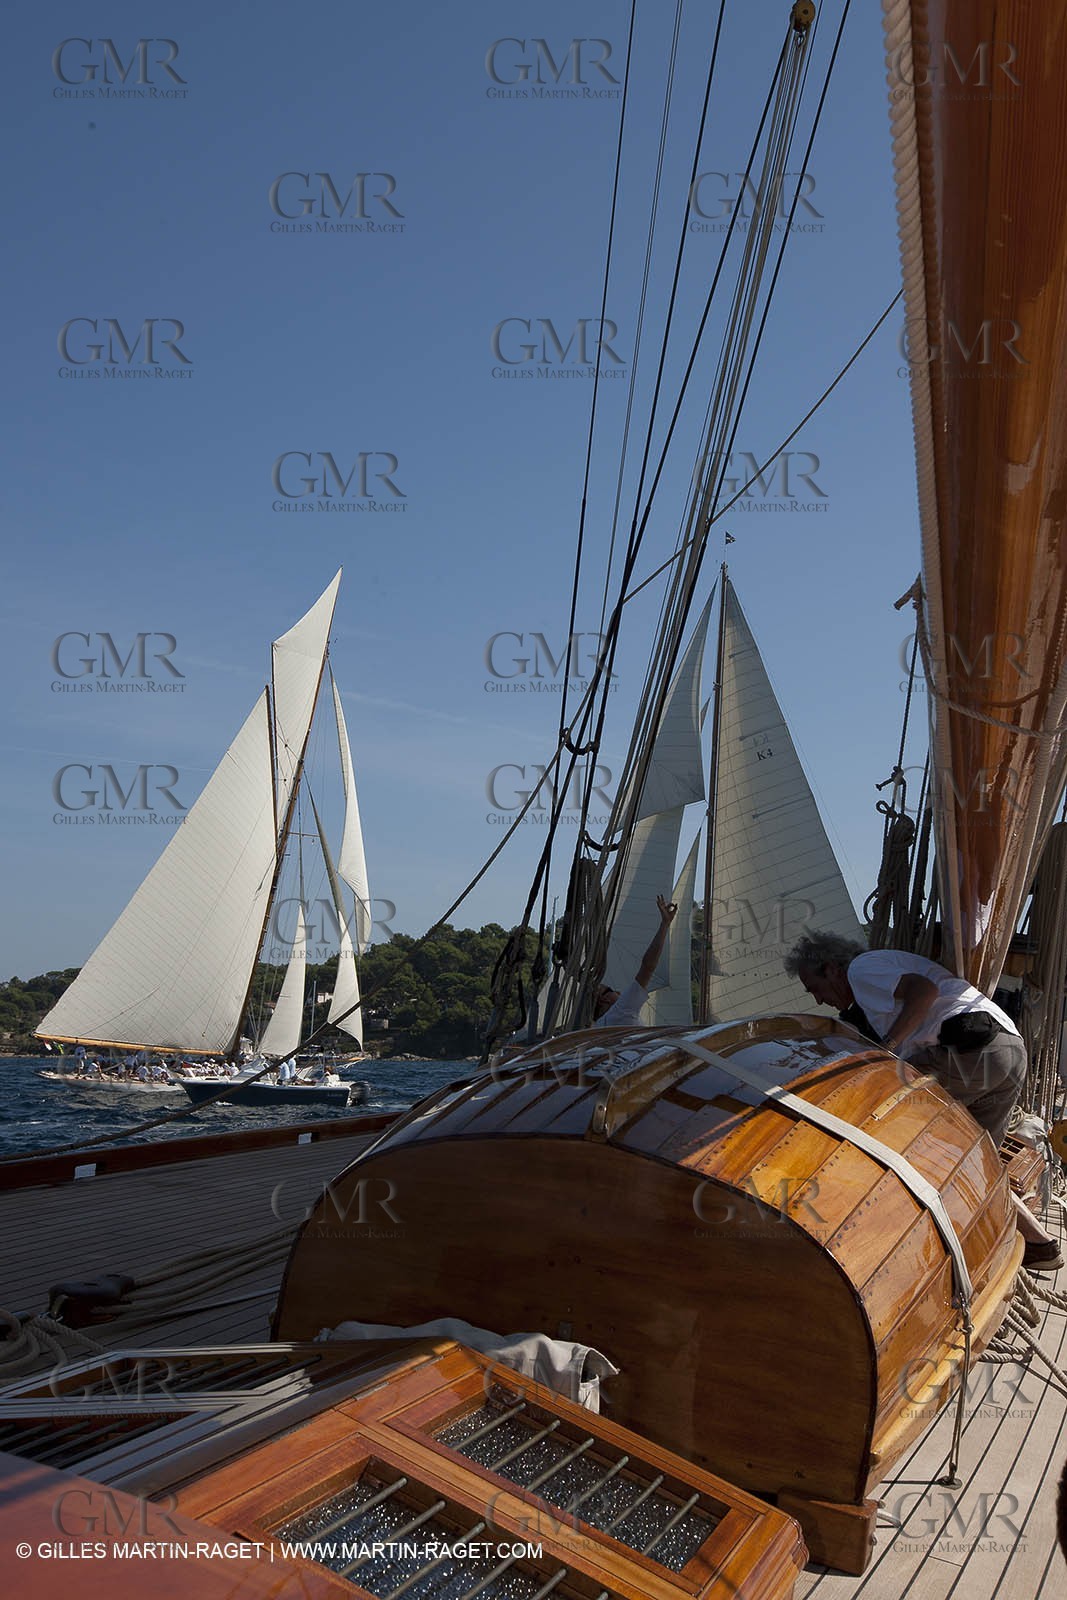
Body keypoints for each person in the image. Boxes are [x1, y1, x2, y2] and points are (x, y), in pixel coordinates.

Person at [784, 930, 1062, 1271]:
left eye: (814, 987)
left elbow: (924, 992)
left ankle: (881, 1242)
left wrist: (888, 1049)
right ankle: (1040, 1245)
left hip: (970, 1054)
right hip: (1008, 1054)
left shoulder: (862, 969)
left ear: (830, 969)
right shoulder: (871, 993)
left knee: (886, 1125)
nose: (817, 1000)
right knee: (975, 1163)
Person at [593, 895, 678, 1027]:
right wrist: (665, 924)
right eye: (611, 990)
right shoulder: (621, 1010)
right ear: (605, 999)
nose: (619, 992)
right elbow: (647, 967)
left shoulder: (598, 1027)